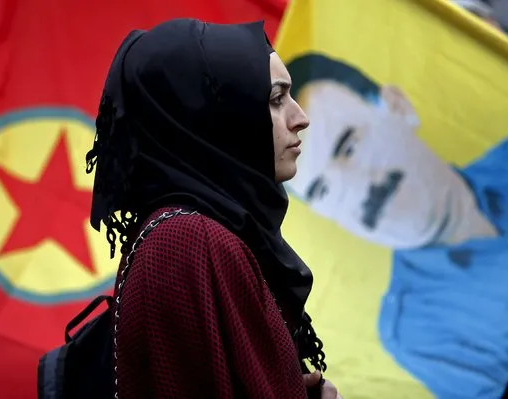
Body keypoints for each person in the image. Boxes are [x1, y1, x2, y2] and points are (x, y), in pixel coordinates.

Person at [85, 19, 341, 399]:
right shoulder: (188, 242)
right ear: (218, 115)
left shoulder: (197, 235)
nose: (299, 118)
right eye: (275, 99)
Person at [285, 52, 508, 398]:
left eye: (349, 147)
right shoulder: (418, 330)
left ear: (398, 107)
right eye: (322, 190)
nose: (355, 191)